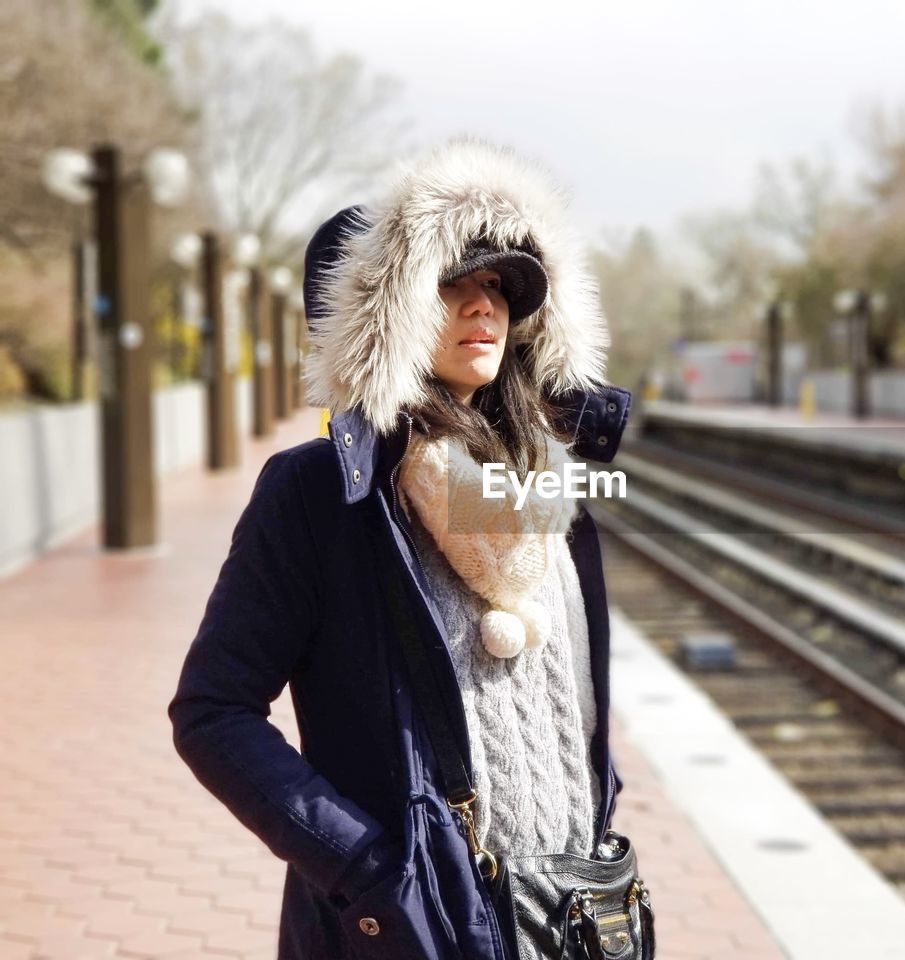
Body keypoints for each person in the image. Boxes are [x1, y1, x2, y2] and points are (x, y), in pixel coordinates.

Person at [169, 137, 632, 960]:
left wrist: (599, 821)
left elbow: (574, 699)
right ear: (390, 309)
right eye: (453, 282)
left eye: (499, 285)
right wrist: (368, 872)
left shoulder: (552, 488)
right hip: (424, 920)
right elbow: (213, 712)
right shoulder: (321, 494)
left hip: (575, 916)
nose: (484, 305)